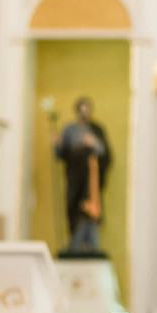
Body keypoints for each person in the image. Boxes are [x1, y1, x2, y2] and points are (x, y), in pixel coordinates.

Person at [54, 97, 111, 256]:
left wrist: (94, 143)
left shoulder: (96, 130)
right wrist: (58, 145)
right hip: (75, 176)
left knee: (91, 209)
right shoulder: (70, 129)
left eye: (87, 111)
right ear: (77, 111)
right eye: (82, 110)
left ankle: (90, 244)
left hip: (91, 178)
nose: (84, 114)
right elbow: (61, 154)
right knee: (73, 207)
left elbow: (105, 153)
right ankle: (74, 241)